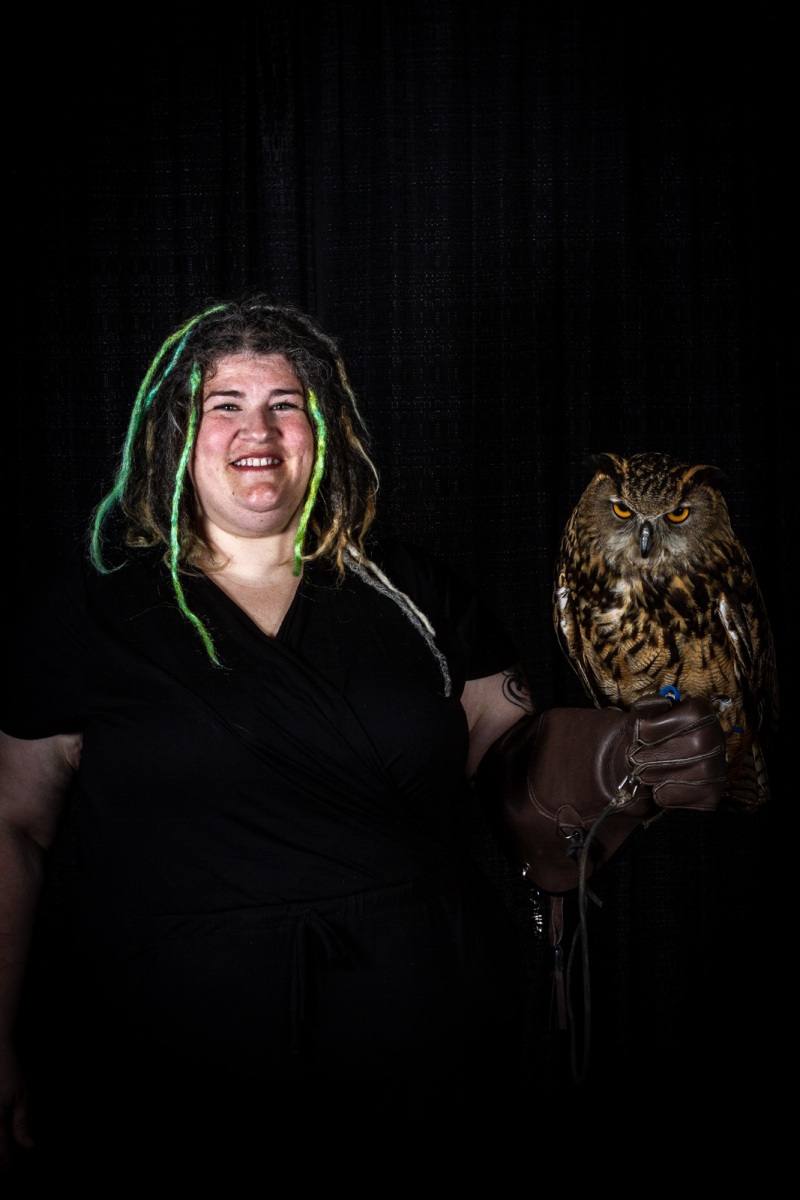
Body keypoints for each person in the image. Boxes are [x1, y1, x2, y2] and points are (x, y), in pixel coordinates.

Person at [0, 296, 726, 1183]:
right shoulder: (87, 615)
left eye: (286, 404)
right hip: (163, 1055)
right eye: (224, 405)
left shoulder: (415, 595)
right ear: (174, 435)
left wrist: (615, 763)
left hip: (423, 1042)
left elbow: (513, 758)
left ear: (323, 429)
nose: (257, 430)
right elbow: (14, 828)